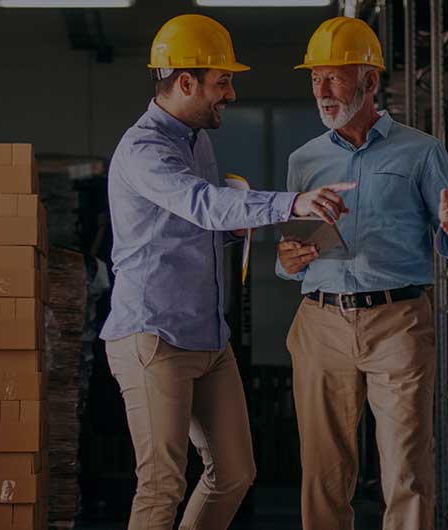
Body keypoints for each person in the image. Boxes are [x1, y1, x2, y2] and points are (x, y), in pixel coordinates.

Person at [100, 13, 358, 530]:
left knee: (235, 472)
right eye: (223, 82)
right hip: (154, 338)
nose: (231, 93)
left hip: (207, 337)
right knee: (161, 485)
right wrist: (293, 203)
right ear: (186, 82)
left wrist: (230, 230)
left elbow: (195, 222)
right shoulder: (144, 149)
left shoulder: (198, 141)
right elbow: (202, 203)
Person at [275, 16, 448, 530]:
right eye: (315, 79)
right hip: (320, 321)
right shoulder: (304, 160)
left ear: (369, 80)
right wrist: (286, 260)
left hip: (398, 320)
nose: (322, 91)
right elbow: (294, 244)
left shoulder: (421, 150)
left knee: (407, 469)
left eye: (335, 77)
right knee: (323, 472)